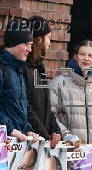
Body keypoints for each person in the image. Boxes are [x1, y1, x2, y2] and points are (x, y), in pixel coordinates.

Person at [0, 19, 39, 143]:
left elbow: (19, 109)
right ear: (14, 43)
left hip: (15, 143)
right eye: (26, 44)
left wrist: (27, 129)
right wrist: (10, 129)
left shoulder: (18, 71)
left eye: (31, 45)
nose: (30, 49)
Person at [49, 39, 92, 147]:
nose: (86, 59)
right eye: (82, 54)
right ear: (75, 56)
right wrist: (67, 136)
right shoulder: (58, 83)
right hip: (68, 150)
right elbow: (52, 115)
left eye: (90, 55)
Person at [25, 16, 61, 147]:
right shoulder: (23, 68)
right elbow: (26, 108)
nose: (50, 43)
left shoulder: (40, 67)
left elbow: (47, 105)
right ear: (39, 38)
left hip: (42, 140)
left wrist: (55, 129)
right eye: (49, 38)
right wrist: (44, 135)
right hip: (30, 141)